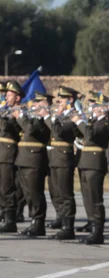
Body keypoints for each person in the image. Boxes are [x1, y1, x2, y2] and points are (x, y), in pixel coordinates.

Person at [72, 94, 109, 245]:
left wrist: (81, 122)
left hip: (95, 162)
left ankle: (98, 230)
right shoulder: (94, 121)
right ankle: (92, 226)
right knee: (87, 197)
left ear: (104, 108)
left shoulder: (106, 123)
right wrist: (76, 123)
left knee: (95, 198)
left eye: (98, 106)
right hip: (85, 162)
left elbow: (90, 135)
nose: (94, 109)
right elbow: (81, 134)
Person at [41, 86, 78, 240]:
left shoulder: (73, 115)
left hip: (64, 158)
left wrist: (53, 117)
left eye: (62, 99)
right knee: (56, 193)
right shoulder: (62, 116)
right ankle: (62, 222)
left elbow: (58, 132)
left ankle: (68, 227)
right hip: (55, 158)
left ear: (70, 100)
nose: (59, 102)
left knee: (65, 194)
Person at [15, 91, 51, 237]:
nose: (34, 105)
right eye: (35, 102)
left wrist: (20, 116)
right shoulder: (32, 118)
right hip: (23, 159)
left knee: (35, 194)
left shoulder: (43, 121)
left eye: (38, 102)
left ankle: (38, 223)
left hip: (34, 160)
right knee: (28, 194)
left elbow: (30, 129)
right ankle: (33, 221)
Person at [0, 81, 23, 233]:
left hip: (8, 153)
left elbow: (13, 129)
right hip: (1, 152)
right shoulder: (5, 110)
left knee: (7, 187)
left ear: (17, 98)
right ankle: (4, 214)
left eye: (9, 95)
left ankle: (11, 219)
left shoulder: (19, 112)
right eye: (6, 95)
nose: (6, 98)